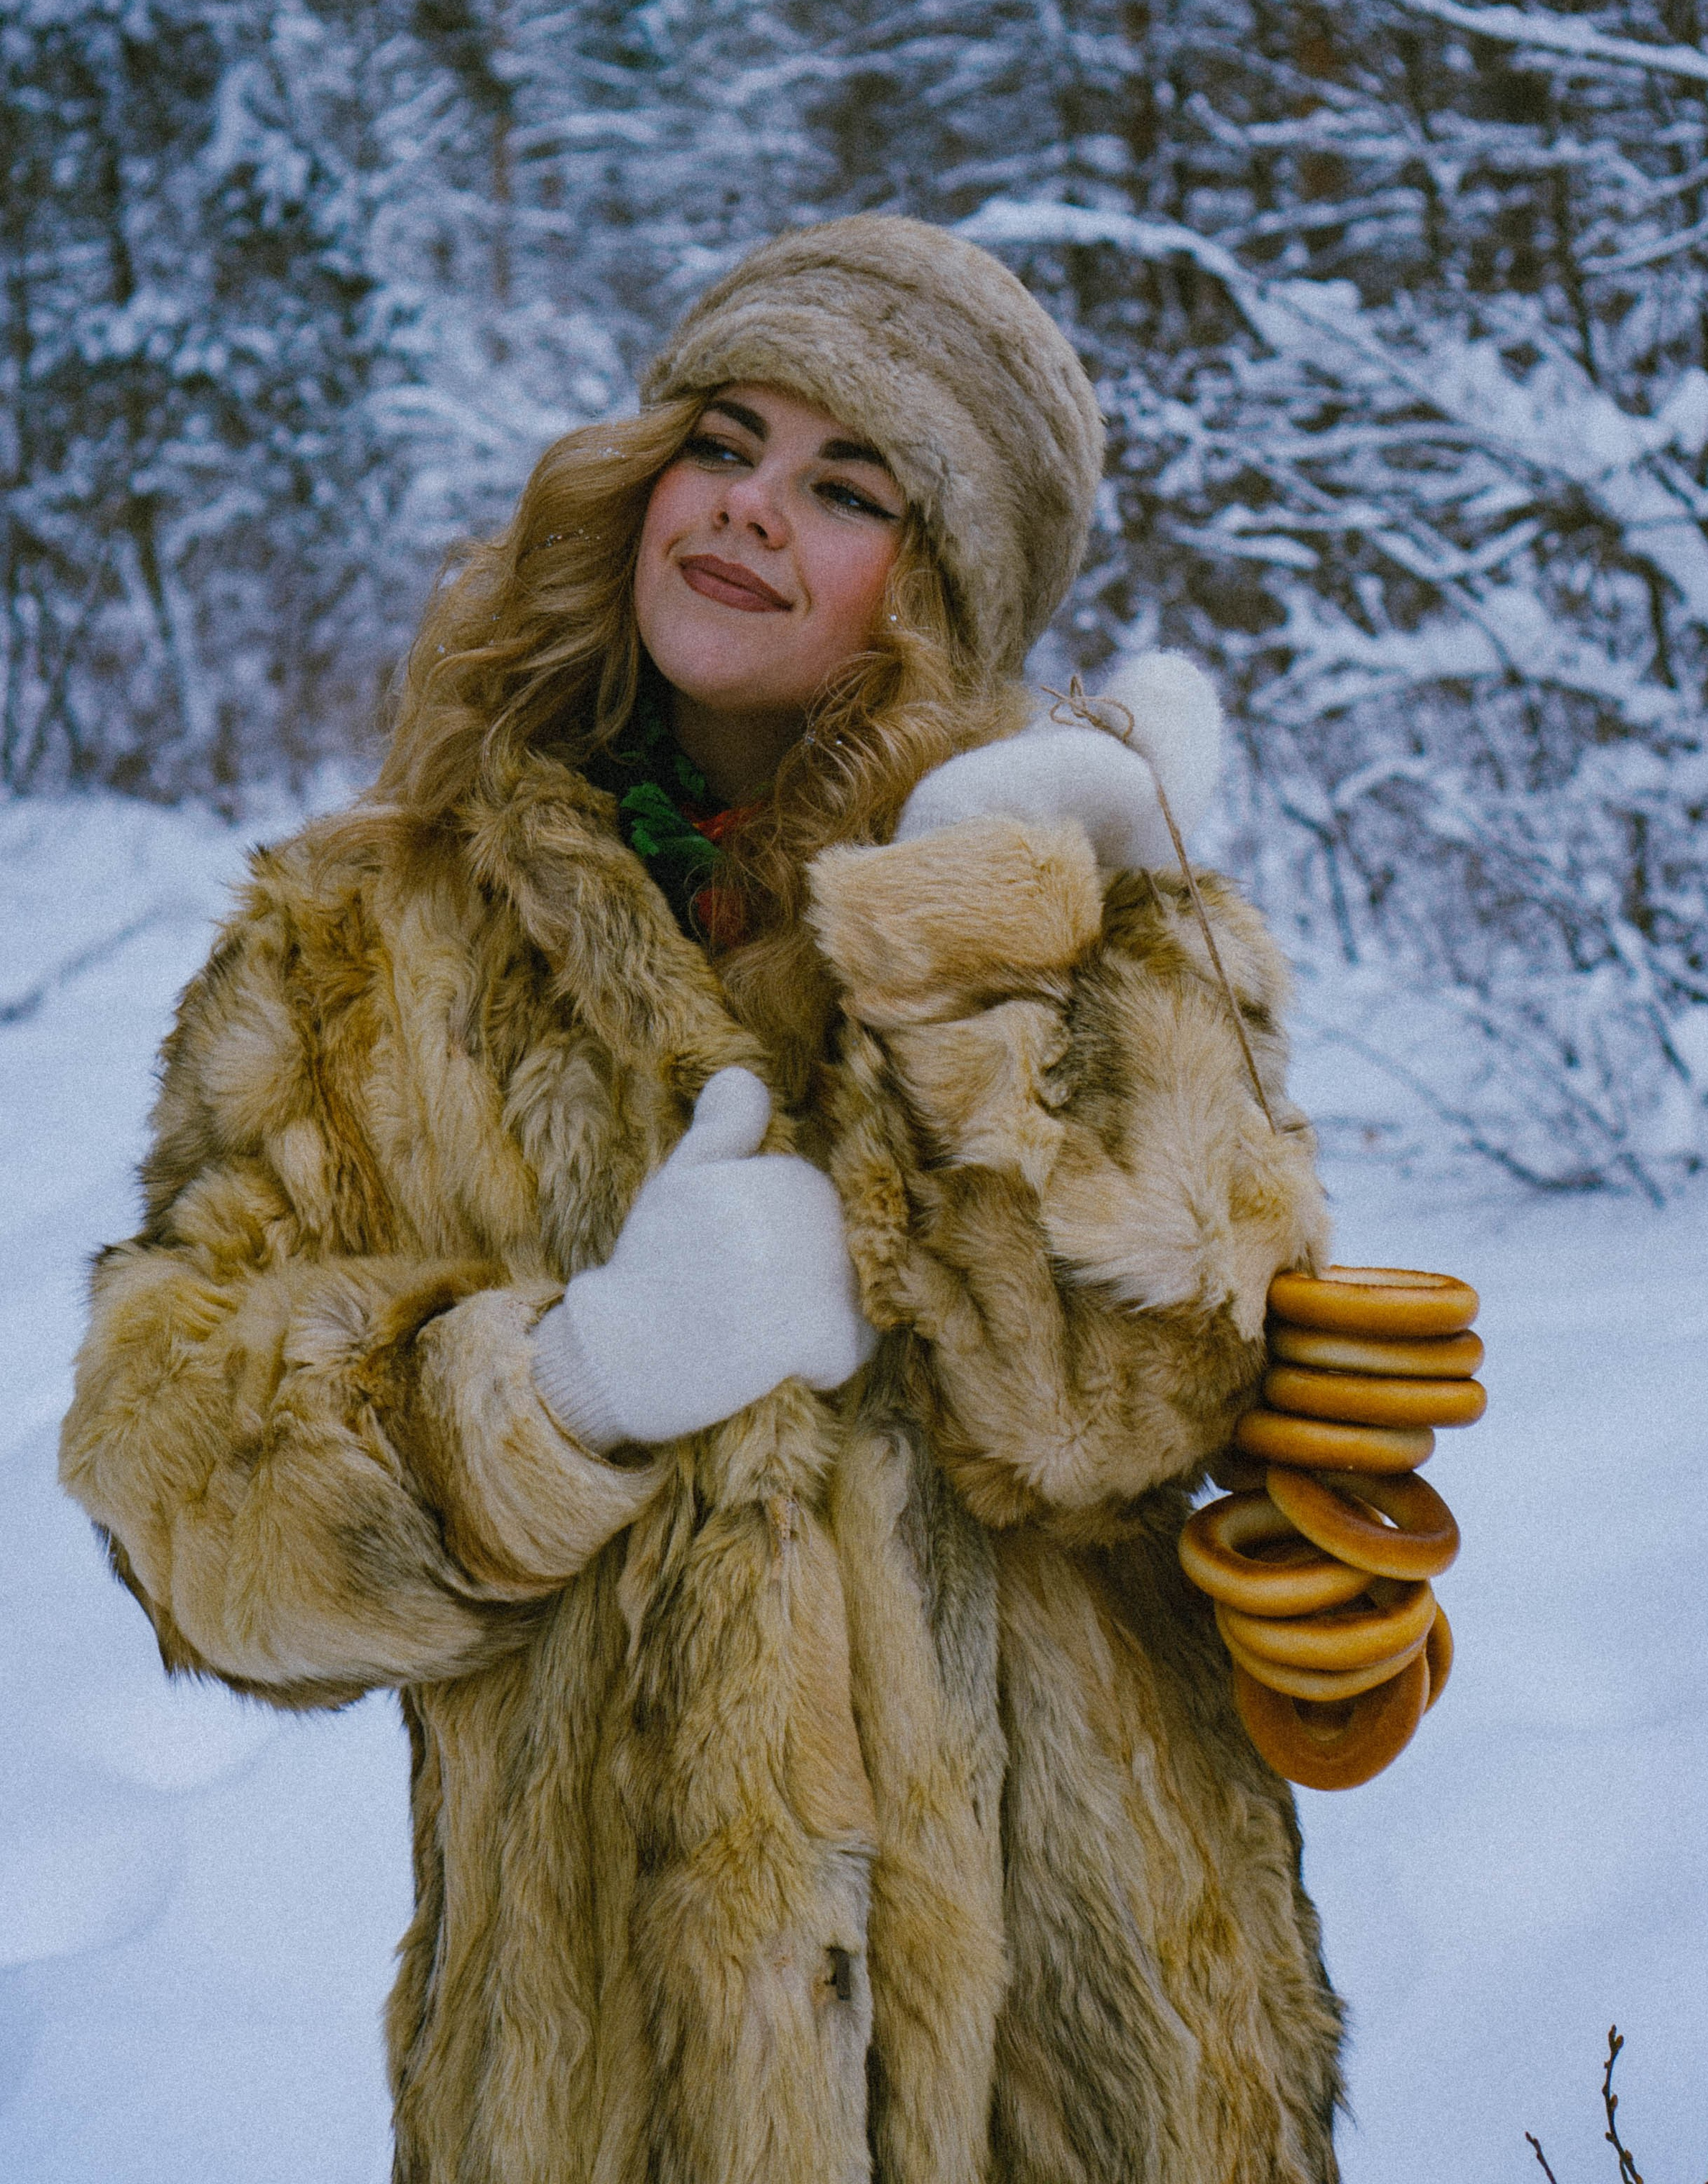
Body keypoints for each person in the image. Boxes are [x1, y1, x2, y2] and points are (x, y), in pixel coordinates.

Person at [60, 216, 1344, 2184]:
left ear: (952, 580)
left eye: (852, 489)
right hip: (606, 2094)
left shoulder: (1078, 904)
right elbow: (175, 1480)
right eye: (724, 440)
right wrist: (555, 1392)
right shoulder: (365, 936)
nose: (750, 512)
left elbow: (1133, 1409)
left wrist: (999, 944)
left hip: (1092, 2082)